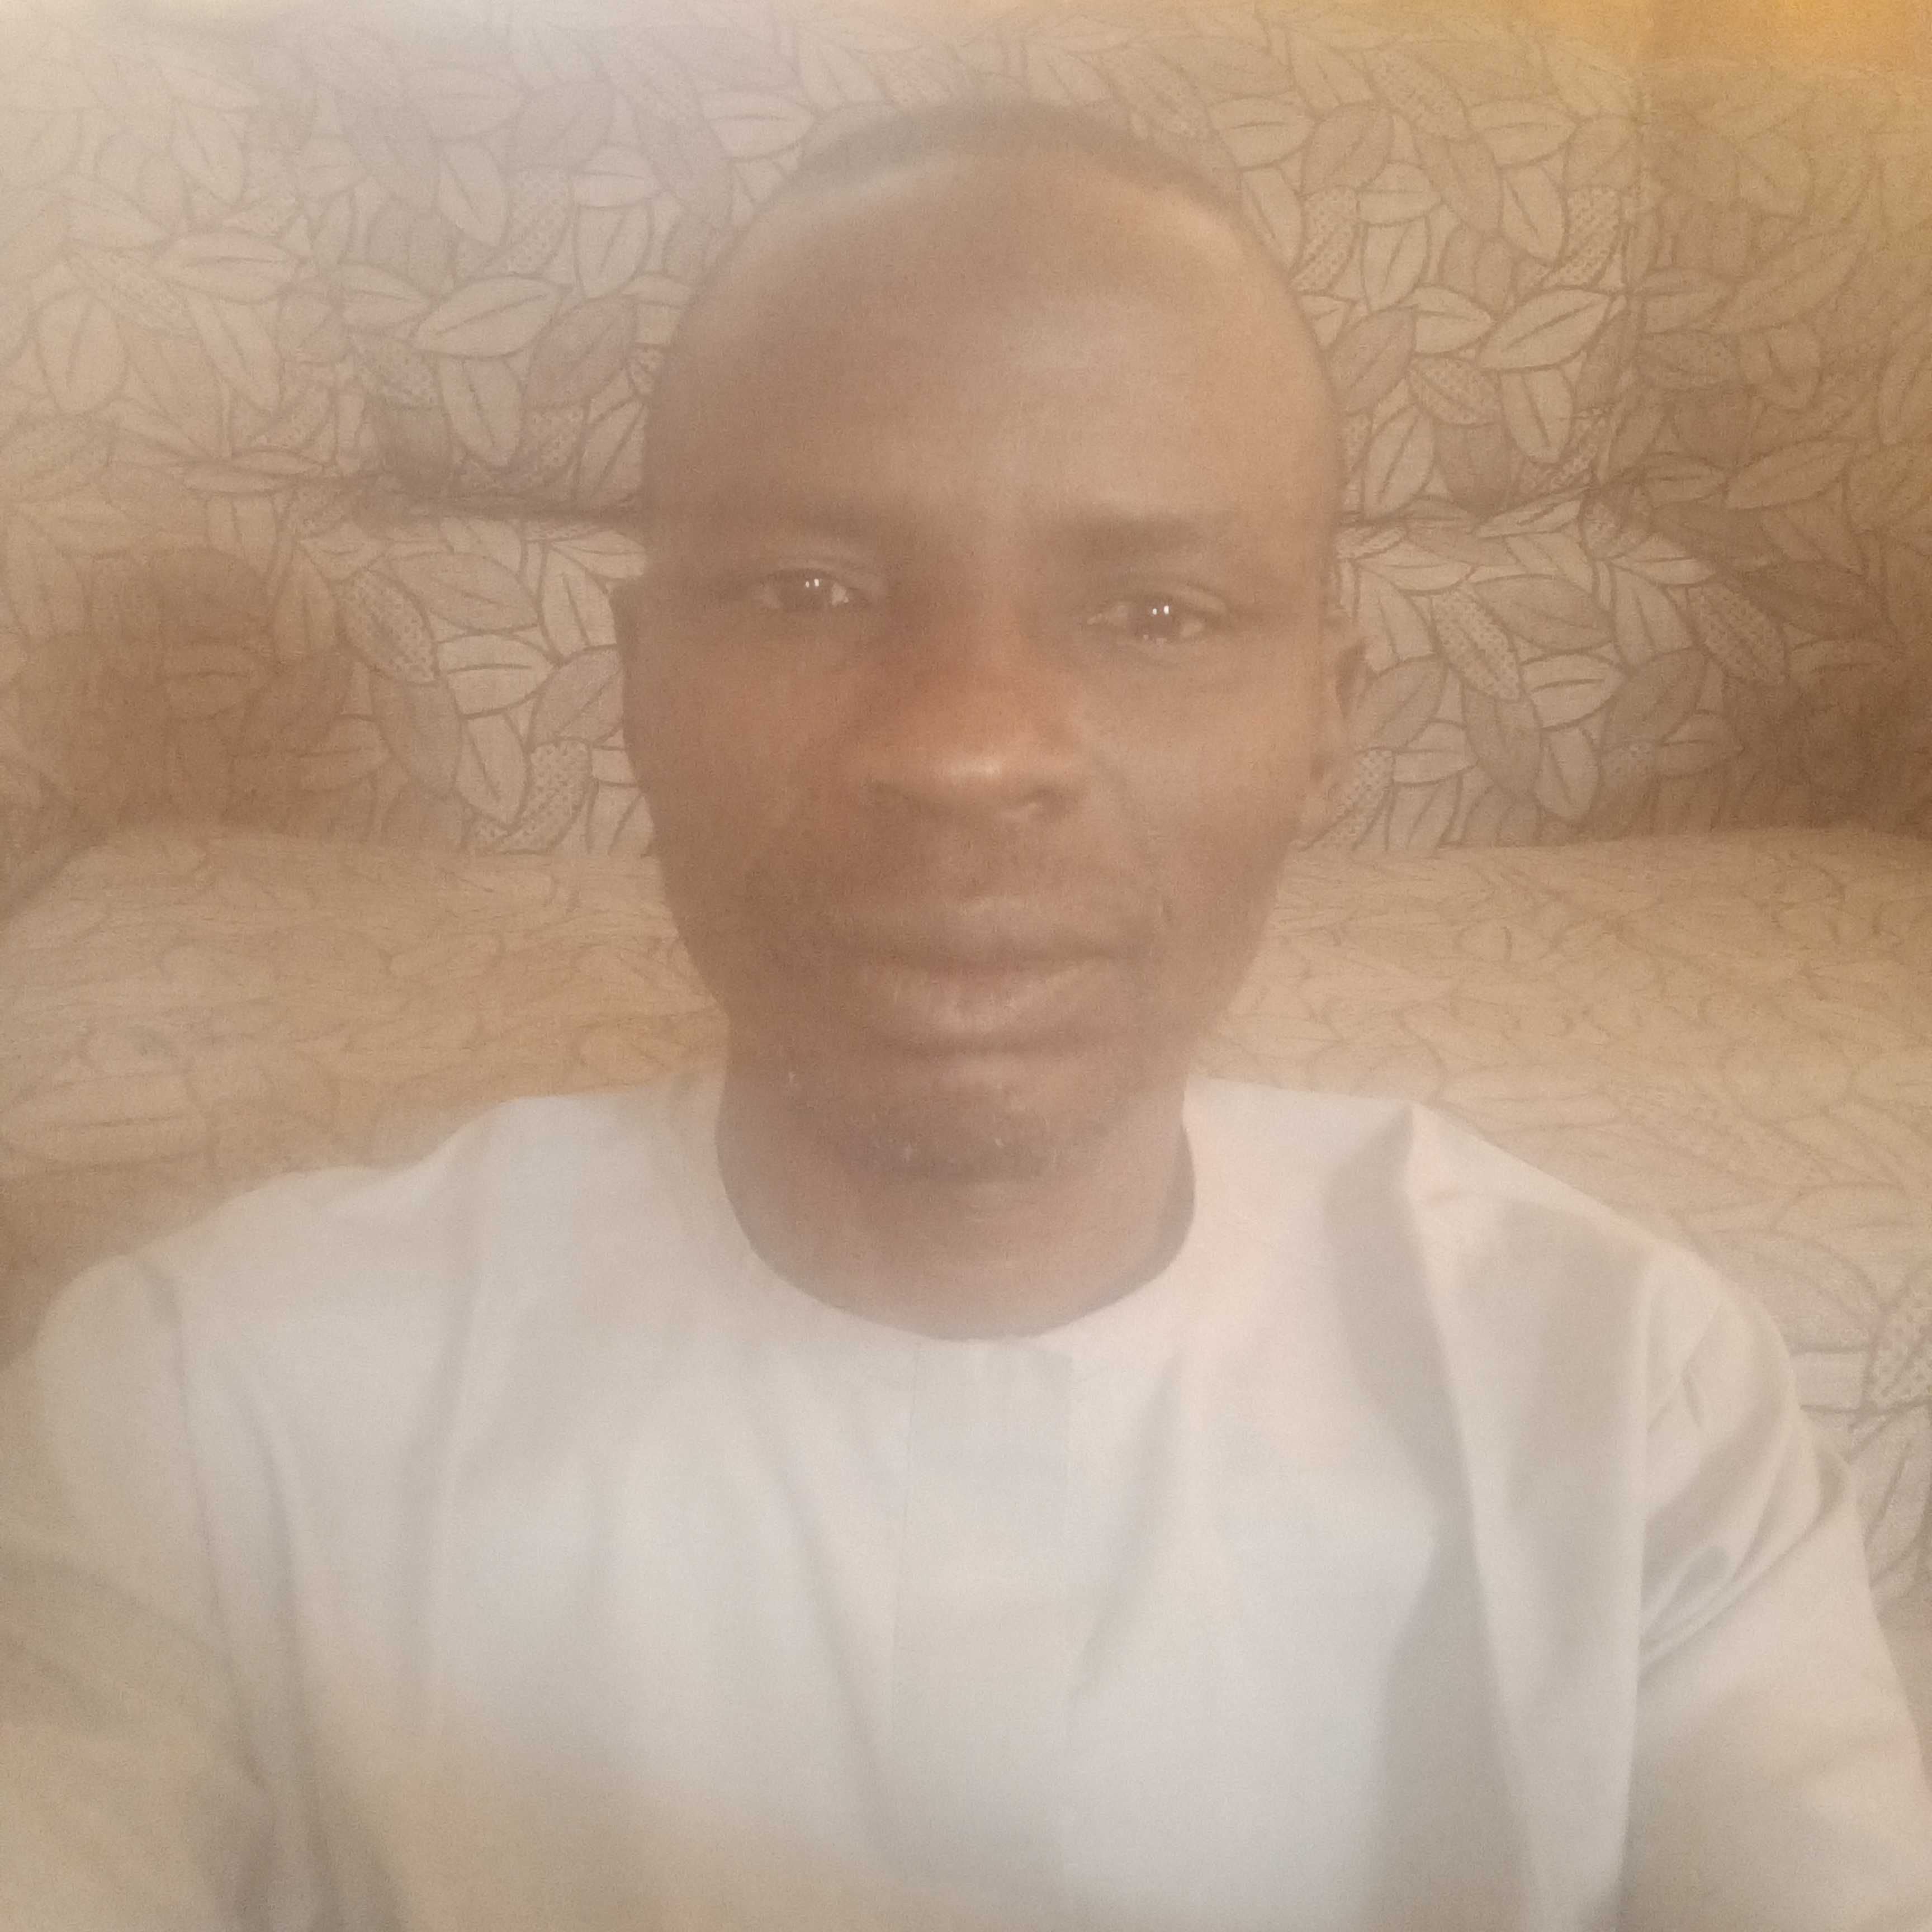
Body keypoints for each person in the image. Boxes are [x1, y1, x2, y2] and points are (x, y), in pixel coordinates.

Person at [2, 102, 1929, 1932]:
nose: (969, 749)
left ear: (1330, 717)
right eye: (809, 587)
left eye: (1157, 613)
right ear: (637, 687)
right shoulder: (208, 1417)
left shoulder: (1626, 1404)